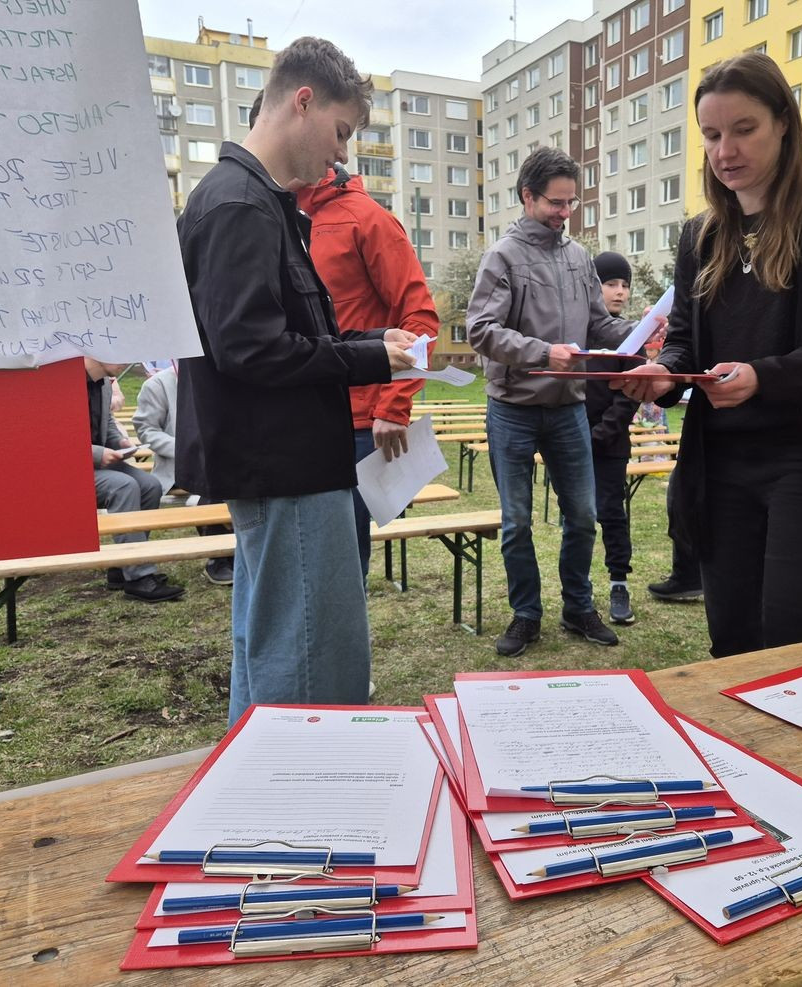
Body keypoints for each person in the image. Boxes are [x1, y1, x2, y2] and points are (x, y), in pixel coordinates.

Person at [619, 51, 802, 658]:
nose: (725, 151)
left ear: (783, 122)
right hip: (721, 460)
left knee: (795, 638)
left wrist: (763, 376)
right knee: (730, 638)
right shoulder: (700, 234)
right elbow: (685, 339)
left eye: (743, 129)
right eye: (711, 135)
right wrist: (665, 373)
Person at [174, 36, 416, 727]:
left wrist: (372, 343)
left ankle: (260, 774)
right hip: (285, 465)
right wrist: (365, 360)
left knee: (274, 647)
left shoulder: (255, 200)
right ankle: (306, 784)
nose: (341, 155)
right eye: (341, 132)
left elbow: (281, 336)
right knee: (310, 663)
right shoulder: (240, 206)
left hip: (283, 462)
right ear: (302, 102)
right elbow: (251, 350)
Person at [467, 146, 634, 657]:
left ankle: (578, 607)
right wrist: (544, 352)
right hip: (513, 408)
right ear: (528, 196)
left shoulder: (579, 258)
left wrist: (638, 334)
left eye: (571, 203)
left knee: (582, 515)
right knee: (516, 521)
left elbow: (598, 325)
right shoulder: (503, 257)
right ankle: (526, 614)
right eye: (556, 203)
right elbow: (481, 330)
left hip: (568, 408)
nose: (565, 213)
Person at [299, 164, 440, 574]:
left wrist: (393, 405)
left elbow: (419, 320)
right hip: (304, 413)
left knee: (342, 558)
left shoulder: (367, 218)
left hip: (359, 420)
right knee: (311, 554)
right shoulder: (285, 218)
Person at [85, 358, 185, 603]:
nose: (128, 360)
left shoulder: (104, 383)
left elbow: (107, 422)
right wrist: (98, 453)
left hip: (97, 462)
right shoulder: (64, 384)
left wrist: (120, 442)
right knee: (124, 486)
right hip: (70, 469)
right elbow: (54, 437)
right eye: (121, 353)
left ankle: (123, 565)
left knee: (150, 485)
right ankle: (139, 577)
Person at [133, 364, 234, 585]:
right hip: (177, 467)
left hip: (220, 462)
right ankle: (218, 557)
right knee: (214, 486)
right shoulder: (158, 384)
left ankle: (236, 551)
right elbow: (147, 430)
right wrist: (184, 448)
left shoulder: (216, 377)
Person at [585, 251, 640, 625]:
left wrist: (601, 433)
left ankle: (619, 583)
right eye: (611, 284)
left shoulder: (631, 338)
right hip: (573, 442)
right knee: (577, 518)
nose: (620, 292)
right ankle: (578, 589)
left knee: (611, 512)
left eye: (624, 285)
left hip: (610, 443)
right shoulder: (576, 332)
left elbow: (630, 395)